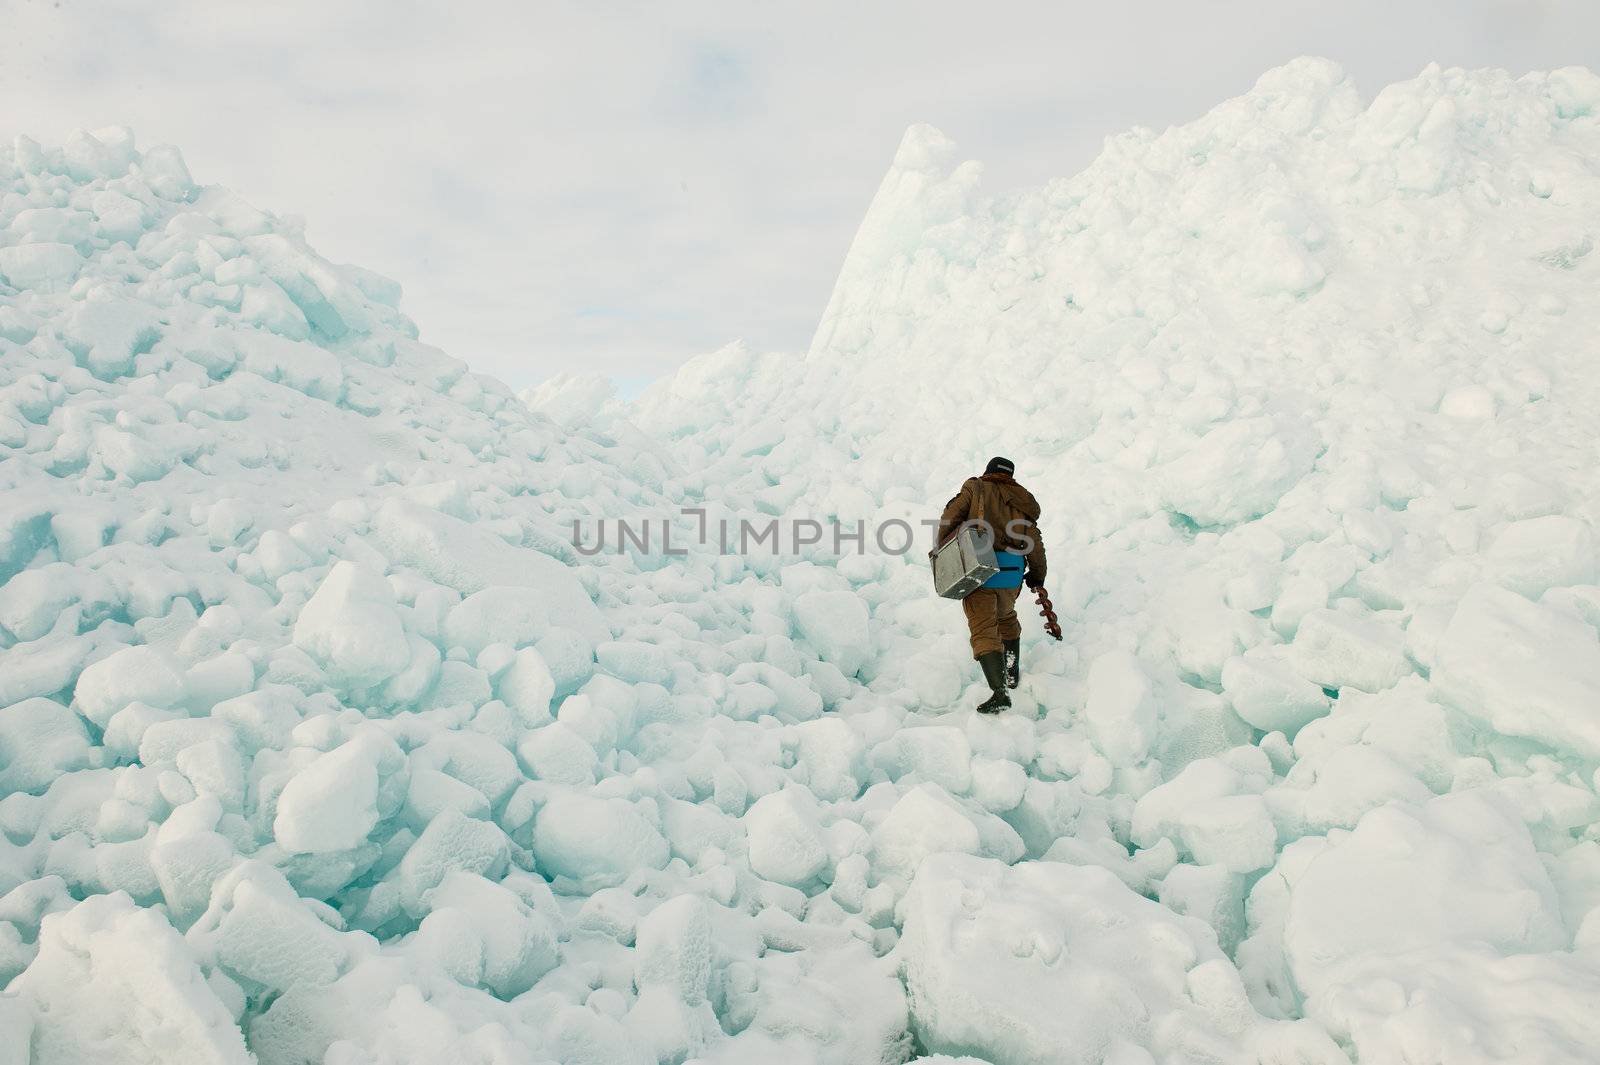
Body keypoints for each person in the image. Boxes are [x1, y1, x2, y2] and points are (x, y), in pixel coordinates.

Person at [933, 456, 1047, 713]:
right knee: (1006, 617)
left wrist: (943, 549)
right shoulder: (1022, 503)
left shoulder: (976, 488)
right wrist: (1037, 576)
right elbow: (1035, 545)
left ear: (989, 471)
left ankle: (999, 693)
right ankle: (1011, 672)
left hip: (980, 568)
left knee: (983, 627)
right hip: (1012, 575)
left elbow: (950, 517)